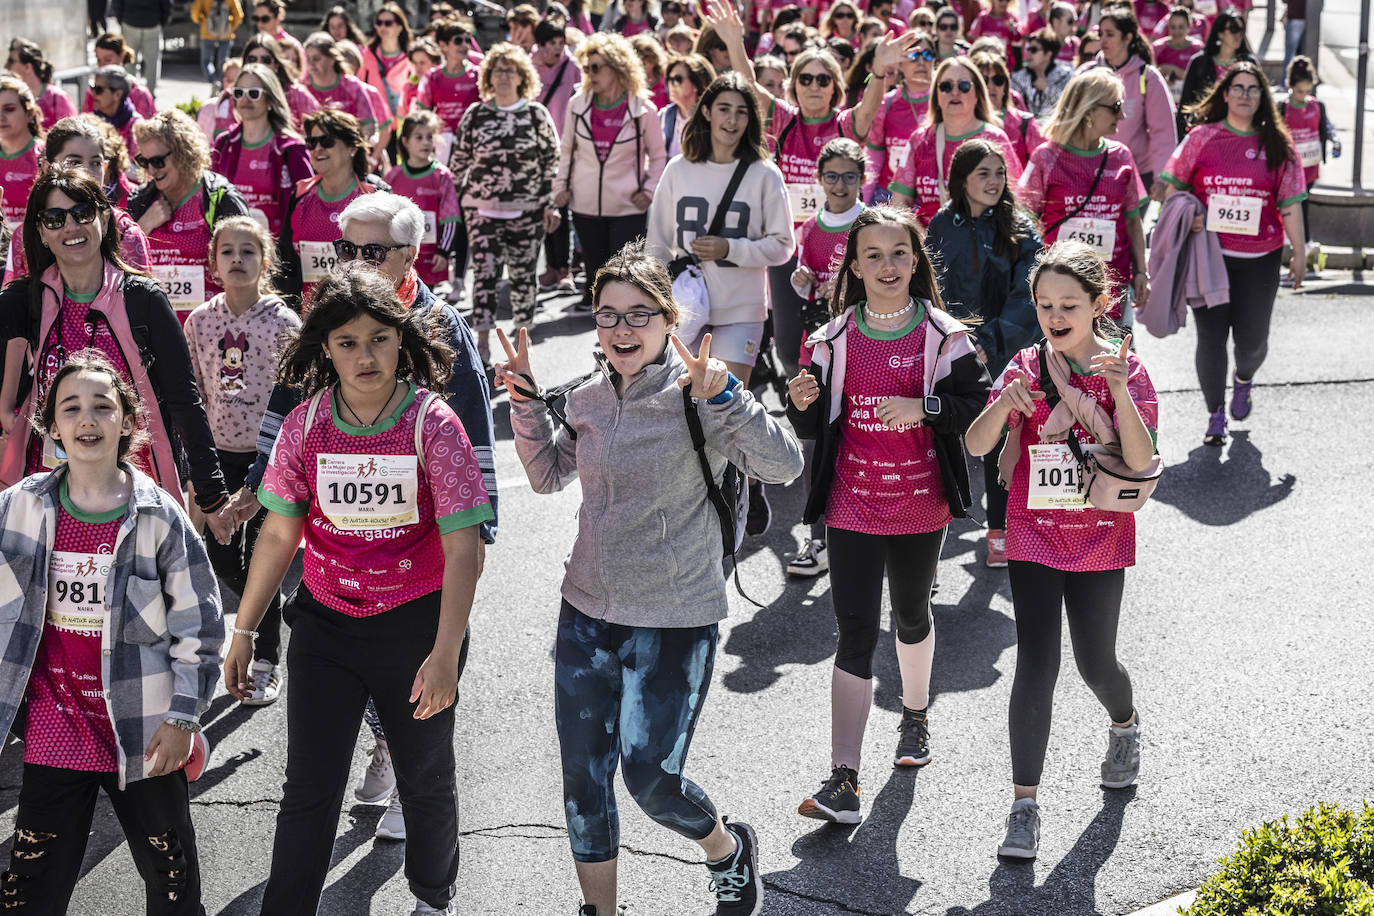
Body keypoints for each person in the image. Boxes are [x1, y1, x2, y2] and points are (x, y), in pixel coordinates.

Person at [496, 241, 803, 916]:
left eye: (639, 315)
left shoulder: (700, 395)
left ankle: (725, 849)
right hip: (586, 612)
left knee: (653, 782)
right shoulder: (586, 399)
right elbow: (547, 476)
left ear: (669, 320)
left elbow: (784, 467)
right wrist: (524, 403)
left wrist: (729, 395)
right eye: (608, 316)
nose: (622, 329)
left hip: (675, 617)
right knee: (583, 781)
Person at [224, 189, 499, 840]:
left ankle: (410, 775)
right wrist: (255, 486)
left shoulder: (441, 326)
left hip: (421, 543)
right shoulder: (327, 317)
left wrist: (478, 526)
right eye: (346, 249)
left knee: (422, 664)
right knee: (350, 658)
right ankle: (387, 745)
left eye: (373, 251)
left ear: (411, 255)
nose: (356, 261)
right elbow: (288, 407)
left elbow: (476, 424)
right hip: (339, 534)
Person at [785, 205, 990, 825]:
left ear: (917, 260)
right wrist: (802, 404)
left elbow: (974, 405)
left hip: (920, 501)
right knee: (852, 629)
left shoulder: (946, 336)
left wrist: (924, 406)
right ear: (852, 265)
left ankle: (916, 714)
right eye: (872, 255)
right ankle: (843, 776)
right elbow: (810, 424)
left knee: (910, 614)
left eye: (899, 253)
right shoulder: (829, 340)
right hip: (851, 502)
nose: (887, 265)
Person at [0, 350, 222, 914]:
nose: (87, 419)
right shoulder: (19, 509)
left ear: (127, 421)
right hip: (57, 728)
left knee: (173, 884)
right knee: (28, 889)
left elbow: (200, 622)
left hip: (145, 731)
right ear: (53, 427)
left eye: (102, 406)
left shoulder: (158, 516)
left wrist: (182, 719)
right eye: (71, 408)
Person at [964, 240, 1158, 862]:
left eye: (1068, 304)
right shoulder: (1024, 364)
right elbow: (975, 446)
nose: (1053, 315)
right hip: (1034, 533)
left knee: (1095, 662)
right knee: (1036, 664)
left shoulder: (1124, 366)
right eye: (1044, 303)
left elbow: (1139, 460)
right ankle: (1024, 806)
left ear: (1099, 304)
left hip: (1100, 533)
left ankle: (1125, 726)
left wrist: (1120, 392)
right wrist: (1003, 405)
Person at [0, 169, 231, 529]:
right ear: (42, 232)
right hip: (47, 491)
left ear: (104, 218)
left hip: (132, 492)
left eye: (82, 213)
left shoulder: (144, 300)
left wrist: (212, 494)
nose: (71, 227)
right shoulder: (24, 301)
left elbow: (184, 400)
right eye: (55, 218)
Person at [647, 71, 794, 531]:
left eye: (742, 111)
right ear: (706, 111)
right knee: (687, 404)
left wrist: (732, 249)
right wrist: (651, 303)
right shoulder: (678, 170)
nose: (732, 119)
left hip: (741, 310)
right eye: (724, 108)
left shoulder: (764, 174)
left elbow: (783, 245)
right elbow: (656, 244)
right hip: (687, 309)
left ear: (751, 119)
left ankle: (743, 486)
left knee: (727, 401)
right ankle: (709, 490)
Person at [183, 216, 298, 707]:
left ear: (265, 261)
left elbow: (296, 393)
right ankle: (272, 604)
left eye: (247, 251)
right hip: (216, 455)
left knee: (261, 557)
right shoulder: (199, 320)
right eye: (226, 251)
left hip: (269, 457)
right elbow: (190, 392)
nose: (236, 259)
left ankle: (266, 657)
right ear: (212, 263)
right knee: (221, 554)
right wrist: (192, 460)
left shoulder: (282, 322)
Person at [1160, 62, 1306, 445]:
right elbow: (1171, 187)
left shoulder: (1278, 145)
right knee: (1210, 339)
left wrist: (1300, 252)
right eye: (1237, 88)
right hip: (1210, 257)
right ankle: (1215, 414)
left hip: (1261, 258)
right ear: (1225, 94)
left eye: (1253, 89)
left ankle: (1244, 379)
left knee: (1252, 342)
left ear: (1263, 98)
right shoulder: (1202, 138)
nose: (1244, 95)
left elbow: (1289, 204)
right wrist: (1186, 214)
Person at [927, 139, 1041, 569]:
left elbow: (1029, 294)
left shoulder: (1019, 225)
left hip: (1004, 352)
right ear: (962, 179)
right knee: (941, 440)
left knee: (998, 441)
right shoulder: (941, 224)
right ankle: (930, 533)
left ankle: (1000, 530)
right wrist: (948, 335)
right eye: (983, 174)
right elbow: (928, 288)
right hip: (948, 349)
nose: (994, 182)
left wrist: (990, 339)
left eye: (1000, 173)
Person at [785, 137, 867, 577]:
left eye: (849, 176)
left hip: (865, 345)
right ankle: (816, 539)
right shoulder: (812, 228)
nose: (839, 184)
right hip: (817, 344)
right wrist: (802, 279)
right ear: (819, 180)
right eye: (831, 176)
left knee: (862, 438)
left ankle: (878, 537)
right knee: (816, 440)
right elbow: (808, 281)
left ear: (862, 179)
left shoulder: (870, 224)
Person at [452, 43, 561, 365]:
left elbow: (551, 162)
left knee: (524, 275)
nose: (503, 76)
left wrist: (549, 203)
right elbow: (459, 161)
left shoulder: (535, 114)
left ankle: (521, 345)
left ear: (521, 77)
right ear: (488, 76)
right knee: (484, 275)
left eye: (509, 70)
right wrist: (464, 200)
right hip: (482, 211)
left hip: (526, 211)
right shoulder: (476, 115)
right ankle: (482, 342)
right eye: (497, 70)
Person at [1017, 69, 1150, 327]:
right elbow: (1023, 223)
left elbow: (1133, 222)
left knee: (1110, 362)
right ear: (1089, 110)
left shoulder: (1121, 156)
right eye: (1115, 106)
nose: (1122, 115)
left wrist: (1142, 272)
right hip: (1059, 290)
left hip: (1109, 288)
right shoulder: (1046, 157)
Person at [553, 32, 668, 315]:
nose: (589, 73)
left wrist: (649, 191)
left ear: (617, 67)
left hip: (629, 205)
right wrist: (560, 189)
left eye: (596, 67)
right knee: (596, 271)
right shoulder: (577, 105)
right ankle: (604, 327)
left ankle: (628, 323)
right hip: (585, 204)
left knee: (626, 274)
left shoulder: (643, 109)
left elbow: (658, 157)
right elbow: (566, 150)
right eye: (586, 67)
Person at [128, 108, 250, 322]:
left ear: (183, 152)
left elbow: (248, 263)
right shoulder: (141, 200)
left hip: (214, 325)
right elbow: (119, 265)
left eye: (157, 161)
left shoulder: (219, 198)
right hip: (159, 326)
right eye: (144, 161)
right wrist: (142, 227)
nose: (151, 170)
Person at [2, 115, 151, 286]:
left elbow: (142, 306)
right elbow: (14, 307)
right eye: (74, 162)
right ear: (47, 167)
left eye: (95, 163)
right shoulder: (25, 236)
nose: (87, 172)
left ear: (106, 169)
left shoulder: (126, 234)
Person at [889, 59, 1023, 225]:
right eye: (946, 86)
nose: (954, 92)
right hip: (929, 244)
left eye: (964, 86)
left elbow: (1015, 202)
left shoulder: (995, 138)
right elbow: (900, 203)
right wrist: (923, 241)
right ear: (936, 96)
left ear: (977, 95)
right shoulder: (919, 140)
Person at [278, 108, 386, 303]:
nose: (317, 148)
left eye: (326, 141)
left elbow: (391, 260)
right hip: (310, 318)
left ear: (352, 148)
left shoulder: (374, 193)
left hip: (362, 315)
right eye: (312, 142)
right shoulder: (301, 193)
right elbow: (287, 262)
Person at [1074, 4, 1176, 193]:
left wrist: (1161, 177)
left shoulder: (1147, 77)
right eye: (1101, 34)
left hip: (1136, 175)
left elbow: (1162, 133)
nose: (1102, 40)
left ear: (1128, 37)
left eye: (1110, 34)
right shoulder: (1085, 74)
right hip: (1087, 172)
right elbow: (1069, 122)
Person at [211, 63, 314, 237]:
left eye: (253, 93)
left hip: (277, 253)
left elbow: (307, 205)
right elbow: (211, 201)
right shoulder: (223, 144)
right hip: (232, 251)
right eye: (239, 92)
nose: (245, 99)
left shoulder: (291, 149)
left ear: (270, 99)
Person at [385, 110, 461, 290]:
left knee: (424, 305)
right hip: (399, 257)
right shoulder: (393, 176)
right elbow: (384, 219)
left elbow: (450, 219)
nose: (426, 142)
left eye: (429, 137)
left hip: (430, 258)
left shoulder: (441, 175)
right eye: (418, 137)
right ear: (405, 141)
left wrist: (444, 252)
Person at [1279, 54, 1338, 281]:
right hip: (1289, 170)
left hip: (1310, 169)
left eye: (1307, 91)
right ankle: (1295, 246)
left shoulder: (1316, 106)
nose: (1303, 96)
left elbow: (1327, 127)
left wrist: (1335, 141)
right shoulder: (1283, 107)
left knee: (1303, 205)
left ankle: (1302, 247)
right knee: (1293, 206)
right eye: (1299, 91)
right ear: (1290, 86)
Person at [865, 29, 935, 204]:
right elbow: (874, 155)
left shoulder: (945, 101)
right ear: (900, 64)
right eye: (913, 55)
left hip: (929, 196)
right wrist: (865, 200)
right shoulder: (887, 103)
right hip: (887, 193)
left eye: (927, 55)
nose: (921, 61)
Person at [1176, 8, 1253, 137]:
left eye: (1241, 30)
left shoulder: (1249, 64)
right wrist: (1181, 139)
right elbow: (1185, 105)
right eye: (1234, 29)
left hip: (1240, 135)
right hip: (1205, 134)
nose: (1238, 35)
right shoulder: (1199, 63)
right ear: (1220, 33)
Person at [302, 31, 378, 143]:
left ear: (332, 59)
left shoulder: (352, 86)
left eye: (317, 58)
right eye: (308, 59)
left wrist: (355, 147)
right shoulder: (302, 88)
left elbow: (369, 125)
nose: (311, 64)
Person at [972, 52, 1044, 168]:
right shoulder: (961, 123)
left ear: (1005, 87)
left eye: (998, 80)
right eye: (983, 80)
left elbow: (1044, 164)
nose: (990, 86)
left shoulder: (1025, 123)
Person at [358, 1, 416, 145]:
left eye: (388, 23)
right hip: (376, 128)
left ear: (399, 27)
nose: (382, 27)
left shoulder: (412, 58)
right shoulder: (366, 55)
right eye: (379, 22)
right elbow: (359, 89)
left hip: (405, 128)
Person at [242, 34, 322, 132]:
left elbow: (318, 130)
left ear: (276, 65)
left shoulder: (297, 94)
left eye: (266, 60)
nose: (259, 65)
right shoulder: (235, 94)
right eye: (252, 59)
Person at [0, 75, 46, 232]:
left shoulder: (46, 156)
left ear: (29, 113)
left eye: (9, 109)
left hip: (34, 247)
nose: (1, 117)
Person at [6, 40, 76, 131]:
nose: (6, 67)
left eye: (11, 61)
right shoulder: (14, 99)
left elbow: (73, 136)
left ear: (27, 67)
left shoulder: (57, 98)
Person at [1010, 28, 1072, 123]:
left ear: (1048, 54)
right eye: (1028, 49)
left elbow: (1069, 104)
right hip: (1025, 131)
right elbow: (1012, 107)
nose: (1029, 53)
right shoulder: (1018, 78)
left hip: (1055, 130)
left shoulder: (1065, 75)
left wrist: (1047, 88)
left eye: (1034, 50)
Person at [661, 53, 715, 160]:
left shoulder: (710, 118)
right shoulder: (663, 115)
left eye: (677, 79)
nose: (671, 84)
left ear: (697, 84)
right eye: (669, 79)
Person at [114, 0, 171, 96]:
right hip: (152, 23)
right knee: (152, 62)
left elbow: (116, 4)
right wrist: (161, 21)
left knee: (129, 61)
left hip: (130, 22)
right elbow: (167, 5)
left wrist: (122, 19)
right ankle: (150, 94)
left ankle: (131, 92)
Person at [189, 0, 243, 93]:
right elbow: (238, 16)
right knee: (223, 61)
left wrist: (203, 22)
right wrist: (229, 27)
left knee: (206, 61)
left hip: (207, 33)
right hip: (225, 34)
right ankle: (223, 83)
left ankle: (213, 80)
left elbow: (194, 13)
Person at [1151, 7, 1204, 98]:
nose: (1177, 31)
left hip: (1190, 101)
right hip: (1163, 100)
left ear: (1189, 26)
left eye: (1181, 27)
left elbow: (1201, 79)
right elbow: (1149, 78)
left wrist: (1175, 70)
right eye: (1173, 27)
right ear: (1168, 27)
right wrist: (1161, 74)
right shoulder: (1157, 48)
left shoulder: (1198, 48)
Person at [251, 0, 306, 72]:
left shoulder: (292, 45)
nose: (259, 24)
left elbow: (302, 75)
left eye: (265, 19)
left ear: (278, 18)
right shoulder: (255, 43)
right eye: (256, 19)